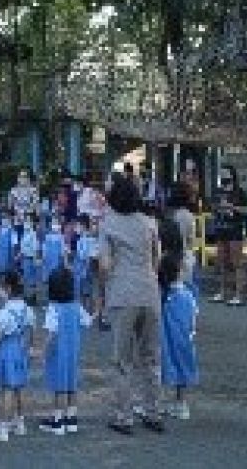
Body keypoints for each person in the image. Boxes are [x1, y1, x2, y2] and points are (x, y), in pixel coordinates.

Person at [98, 175, 163, 435]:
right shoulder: (150, 223)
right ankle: (153, 411)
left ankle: (123, 416)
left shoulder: (108, 225)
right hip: (149, 291)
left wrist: (104, 287)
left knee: (122, 360)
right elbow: (157, 259)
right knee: (150, 357)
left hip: (123, 294)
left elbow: (104, 264)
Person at [39, 268, 94, 436]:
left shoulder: (53, 308)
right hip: (73, 352)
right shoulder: (77, 307)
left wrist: (42, 350)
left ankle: (57, 420)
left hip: (58, 354)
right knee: (72, 384)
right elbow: (88, 322)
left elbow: (51, 332)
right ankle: (71, 418)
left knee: (59, 386)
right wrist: (98, 311)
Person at [0, 271, 35, 442]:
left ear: (8, 288)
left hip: (6, 352)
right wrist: (28, 346)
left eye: (0, 288)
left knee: (7, 389)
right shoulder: (27, 308)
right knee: (18, 387)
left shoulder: (4, 313)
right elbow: (31, 329)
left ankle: (3, 427)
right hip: (20, 349)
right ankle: (19, 422)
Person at [158, 253, 199, 421]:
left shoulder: (162, 296)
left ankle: (156, 402)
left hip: (164, 340)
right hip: (184, 339)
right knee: (183, 367)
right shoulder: (187, 294)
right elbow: (194, 316)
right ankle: (181, 404)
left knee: (161, 367)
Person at [210, 165, 247, 305]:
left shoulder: (239, 192)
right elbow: (213, 206)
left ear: (232, 174)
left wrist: (232, 207)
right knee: (222, 262)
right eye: (221, 173)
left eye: (225, 173)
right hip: (221, 228)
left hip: (235, 229)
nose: (223, 176)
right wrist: (218, 208)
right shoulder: (218, 191)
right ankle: (222, 292)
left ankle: (238, 295)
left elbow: (246, 210)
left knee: (237, 263)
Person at [72, 217, 98, 311]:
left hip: (85, 268)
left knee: (86, 290)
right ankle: (82, 309)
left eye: (77, 225)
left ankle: (87, 309)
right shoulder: (81, 239)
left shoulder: (90, 239)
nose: (76, 228)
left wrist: (86, 270)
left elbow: (91, 257)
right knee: (80, 290)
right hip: (79, 267)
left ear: (83, 226)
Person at [0, 211, 18, 282]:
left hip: (8, 258)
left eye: (6, 219)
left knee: (7, 276)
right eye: (3, 218)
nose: (4, 220)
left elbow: (14, 246)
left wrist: (14, 257)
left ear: (9, 220)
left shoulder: (12, 232)